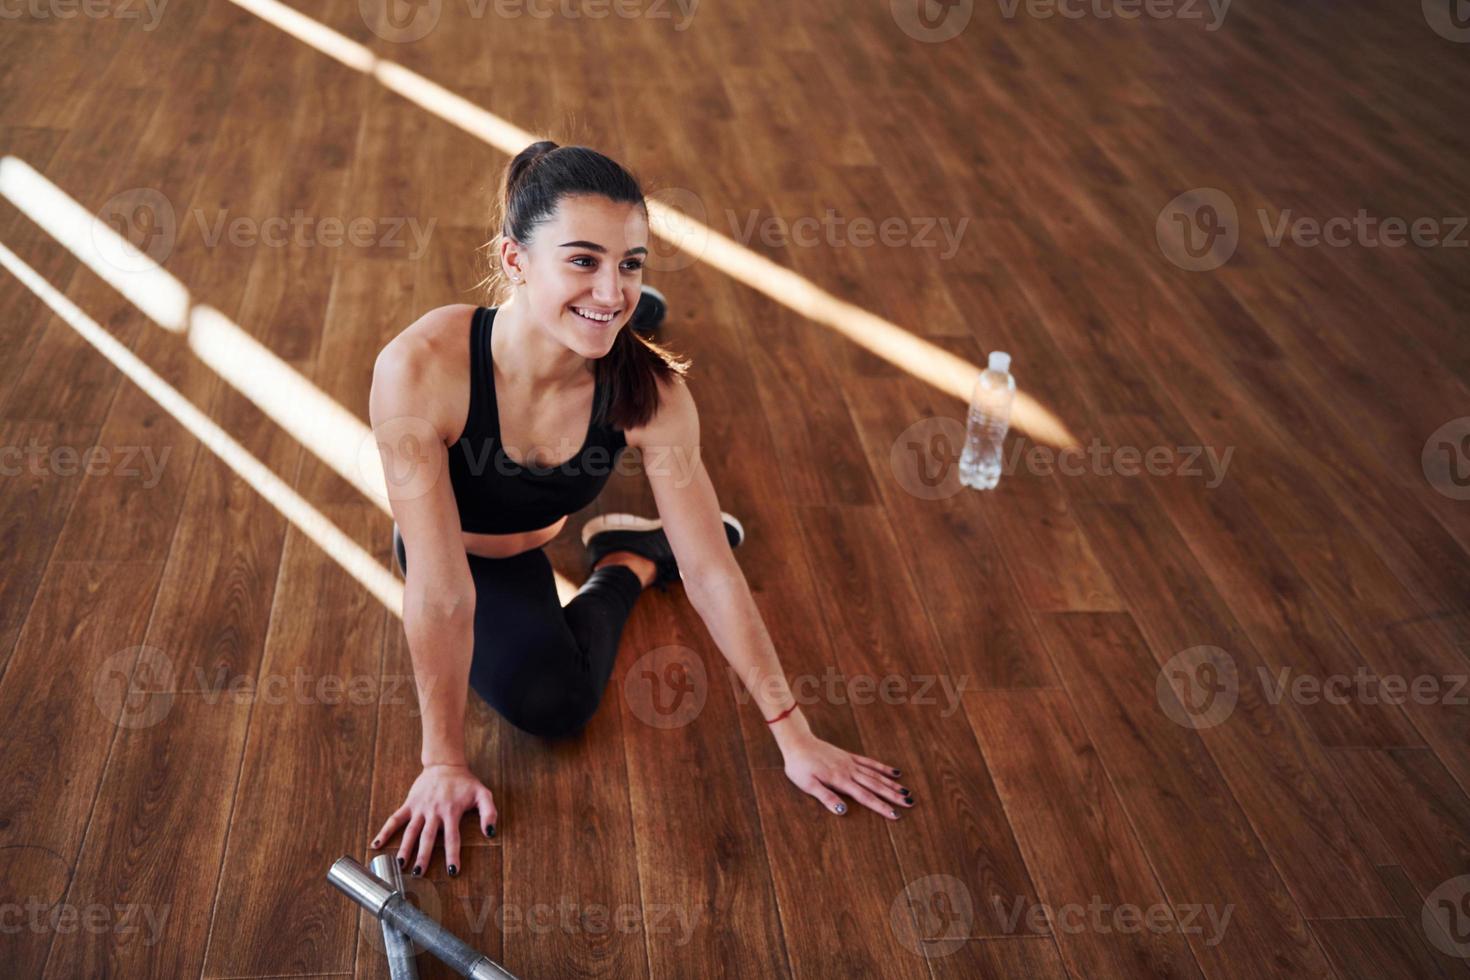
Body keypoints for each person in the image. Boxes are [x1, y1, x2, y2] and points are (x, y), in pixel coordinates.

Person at [366, 142, 914, 879]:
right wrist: (443, 761)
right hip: (468, 553)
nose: (612, 284)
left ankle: (629, 548)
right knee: (556, 706)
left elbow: (712, 569)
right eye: (584, 260)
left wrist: (795, 732)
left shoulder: (655, 396)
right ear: (516, 259)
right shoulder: (419, 369)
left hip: (548, 517)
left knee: (603, 323)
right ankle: (625, 564)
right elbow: (439, 592)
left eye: (631, 265)